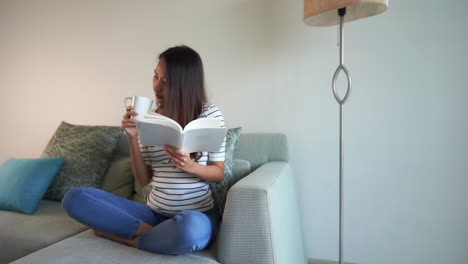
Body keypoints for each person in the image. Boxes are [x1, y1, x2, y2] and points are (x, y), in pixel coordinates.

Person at [61, 45, 226, 255]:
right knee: (75, 198)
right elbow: (143, 180)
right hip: (152, 213)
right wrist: (132, 137)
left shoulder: (210, 114)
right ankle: (158, 235)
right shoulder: (149, 118)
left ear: (184, 84)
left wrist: (190, 166)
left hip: (196, 214)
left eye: (165, 81)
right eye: (156, 76)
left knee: (189, 231)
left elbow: (218, 173)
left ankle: (123, 237)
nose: (157, 86)